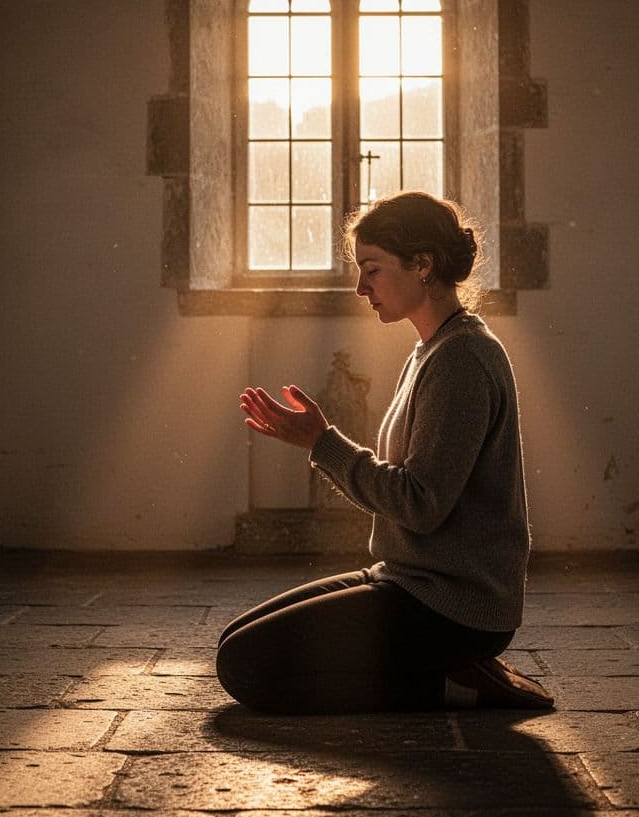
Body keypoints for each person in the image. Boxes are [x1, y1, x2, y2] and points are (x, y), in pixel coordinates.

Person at [216, 191, 552, 714]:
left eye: (371, 270)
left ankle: (456, 682)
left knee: (245, 665)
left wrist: (321, 443)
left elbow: (421, 503)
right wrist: (317, 442)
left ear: (422, 265)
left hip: (455, 608)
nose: (359, 287)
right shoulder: (433, 349)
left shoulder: (462, 360)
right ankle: (444, 667)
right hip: (408, 579)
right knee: (235, 640)